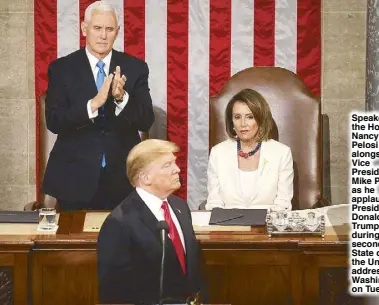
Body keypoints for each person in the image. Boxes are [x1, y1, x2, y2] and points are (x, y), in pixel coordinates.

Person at [42, 1, 154, 211]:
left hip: (123, 180)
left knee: (123, 243)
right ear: (85, 29)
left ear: (117, 32)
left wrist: (122, 99)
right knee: (73, 243)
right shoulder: (61, 68)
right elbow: (54, 121)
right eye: (97, 28)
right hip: (73, 179)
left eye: (109, 29)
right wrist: (92, 105)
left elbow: (146, 120)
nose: (103, 35)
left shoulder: (135, 67)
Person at [97, 139, 206, 304]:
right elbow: (114, 294)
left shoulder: (180, 207)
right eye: (167, 165)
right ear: (146, 177)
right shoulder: (119, 223)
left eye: (174, 163)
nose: (177, 170)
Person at [206, 88, 293, 210]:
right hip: (228, 225)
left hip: (267, 225)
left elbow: (283, 204)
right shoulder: (218, 153)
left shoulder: (282, 153)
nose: (243, 123)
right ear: (231, 122)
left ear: (260, 119)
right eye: (237, 117)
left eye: (250, 117)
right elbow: (214, 202)